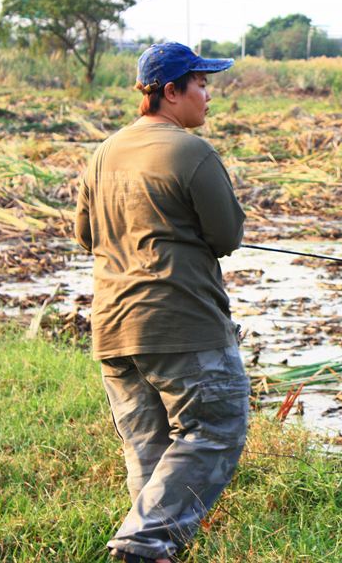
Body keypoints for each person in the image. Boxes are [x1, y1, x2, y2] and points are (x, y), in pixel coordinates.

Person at [75, 42, 248, 563]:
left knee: (149, 450)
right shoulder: (192, 152)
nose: (208, 95)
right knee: (215, 428)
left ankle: (147, 549)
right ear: (170, 92)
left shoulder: (103, 152)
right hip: (182, 326)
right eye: (200, 83)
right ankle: (143, 545)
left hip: (113, 331)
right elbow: (227, 236)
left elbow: (86, 235)